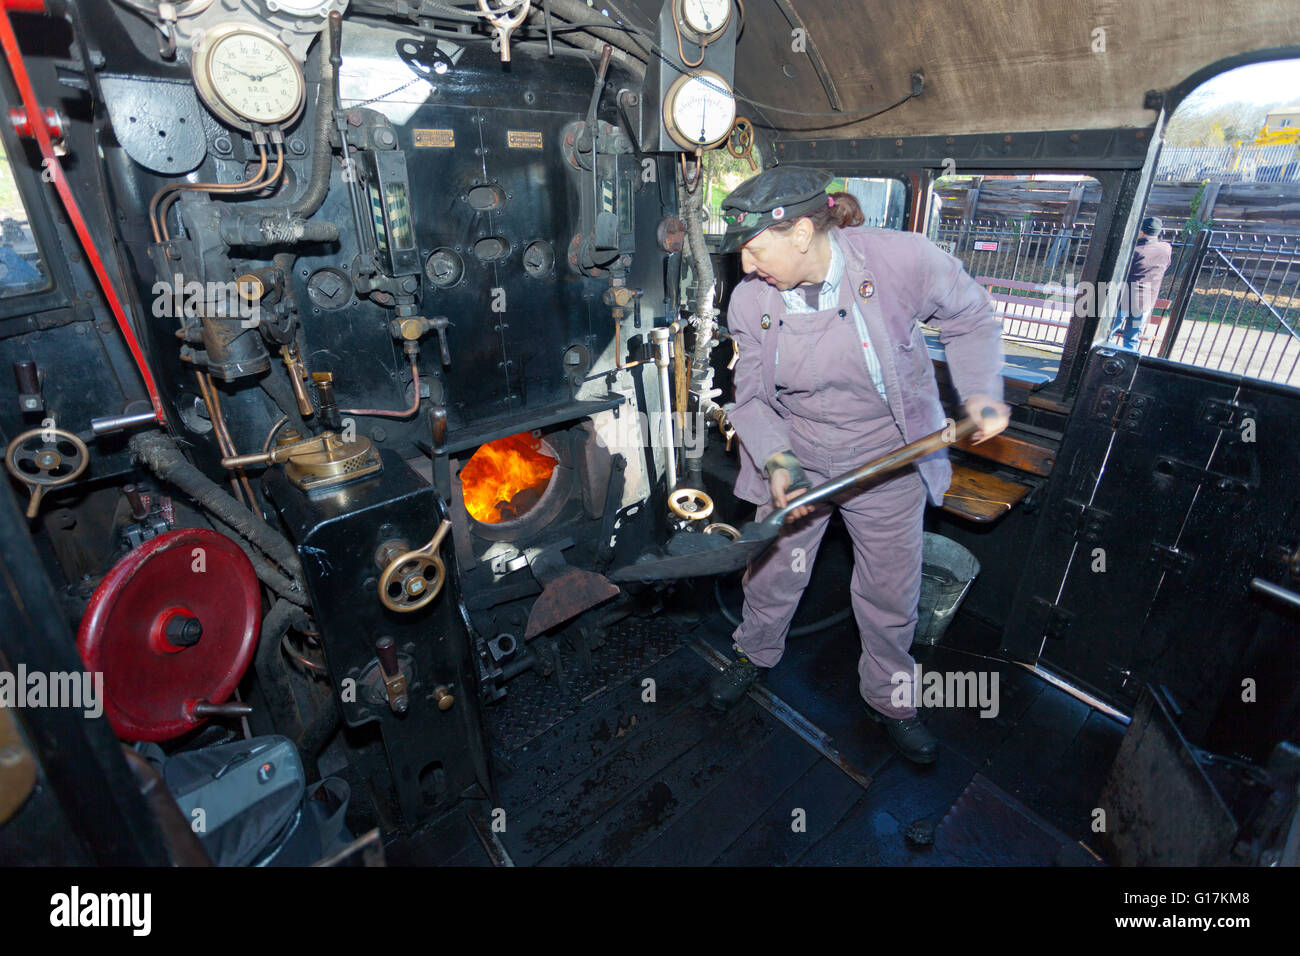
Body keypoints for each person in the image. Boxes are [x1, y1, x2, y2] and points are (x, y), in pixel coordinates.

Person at [713, 166, 1009, 764]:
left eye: (753, 248)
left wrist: (978, 390)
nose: (746, 265)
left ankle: (891, 700)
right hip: (800, 452)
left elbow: (971, 316)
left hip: (890, 456)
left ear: (800, 231)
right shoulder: (751, 300)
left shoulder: (901, 262)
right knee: (775, 569)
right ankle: (753, 651)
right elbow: (748, 398)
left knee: (890, 591)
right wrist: (777, 458)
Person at [1110, 216, 1173, 350]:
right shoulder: (1166, 248)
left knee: (1106, 334)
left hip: (1125, 300)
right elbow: (1166, 265)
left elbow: (1119, 273)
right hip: (1146, 301)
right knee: (1131, 338)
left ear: (1142, 232)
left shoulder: (1135, 250)